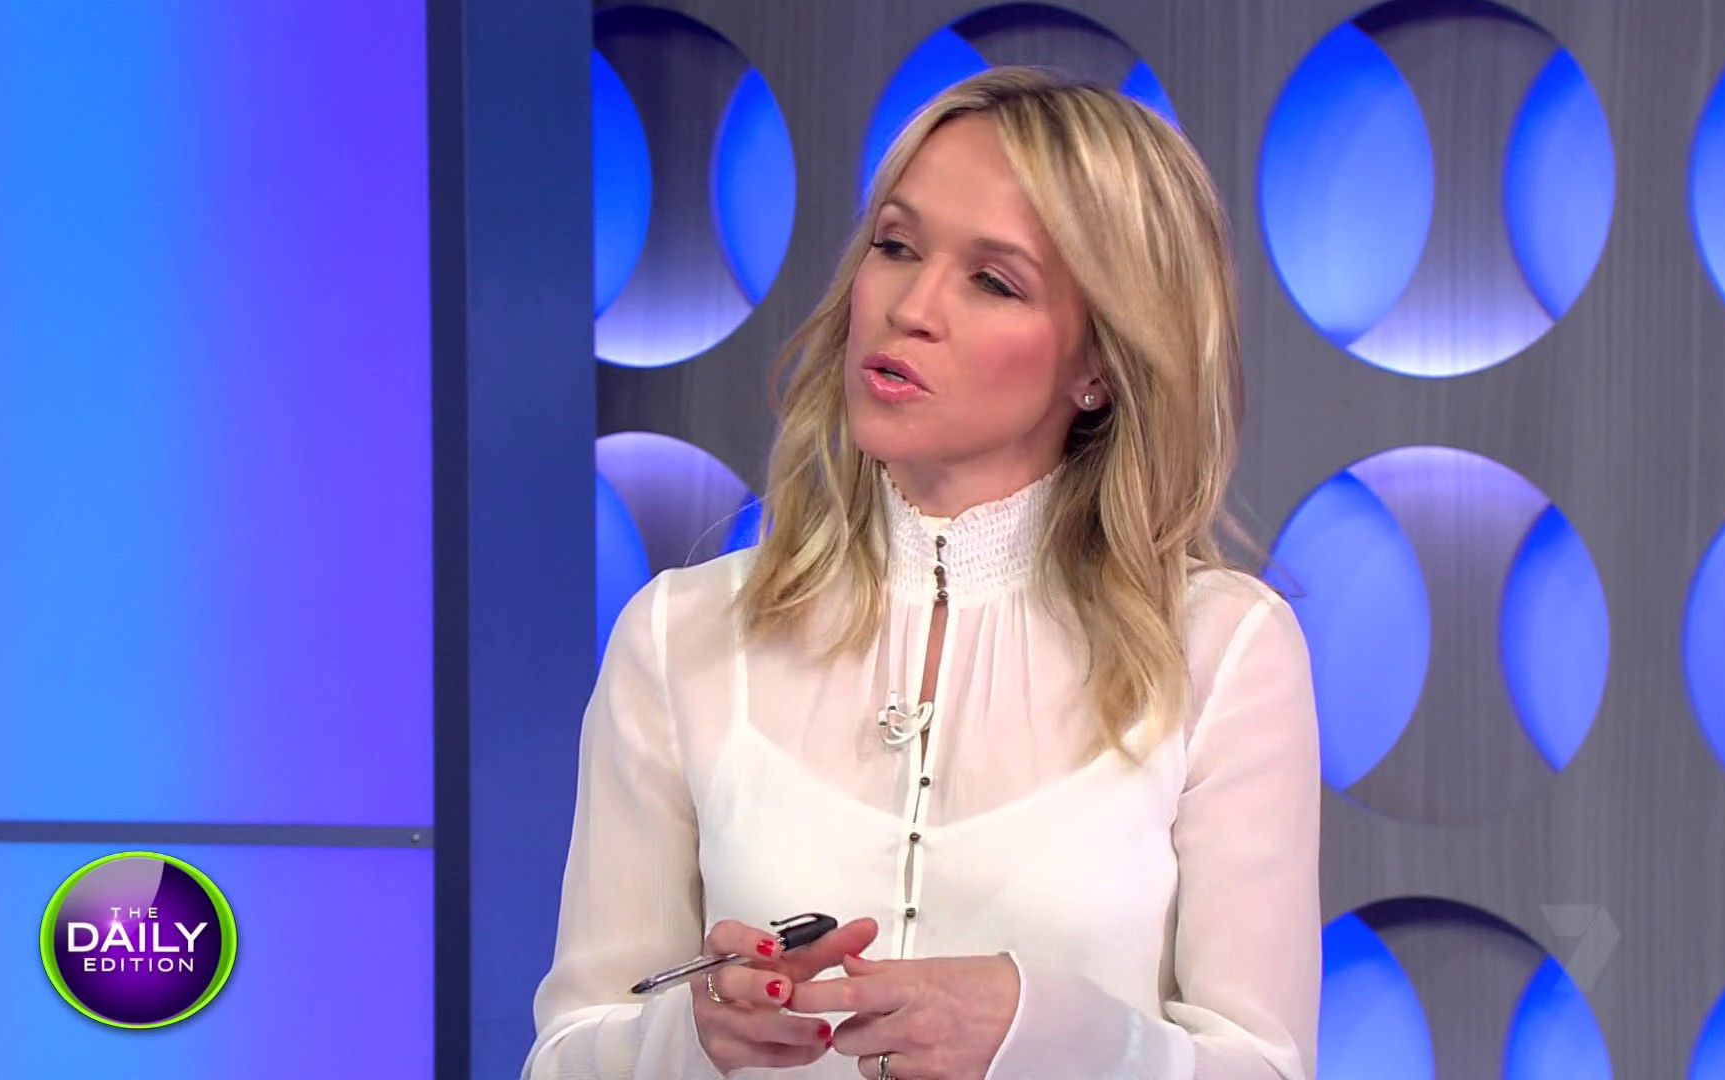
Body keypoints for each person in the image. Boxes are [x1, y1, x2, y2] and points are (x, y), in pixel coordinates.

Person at [524, 66, 1320, 1080]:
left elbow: (1264, 1066)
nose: (910, 306)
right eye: (896, 246)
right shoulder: (679, 636)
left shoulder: (1222, 651)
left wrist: (1037, 1032)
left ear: (1099, 365)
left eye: (995, 281)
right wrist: (692, 1035)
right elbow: (563, 1056)